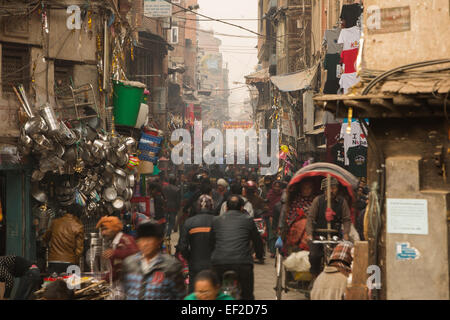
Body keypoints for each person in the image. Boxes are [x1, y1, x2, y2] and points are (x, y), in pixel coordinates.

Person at [210, 195, 264, 300]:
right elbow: (257, 241)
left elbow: (211, 242)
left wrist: (212, 255)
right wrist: (259, 255)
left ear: (226, 208)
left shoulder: (216, 220)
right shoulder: (248, 220)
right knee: (247, 295)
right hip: (242, 263)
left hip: (219, 263)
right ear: (241, 208)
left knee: (215, 294)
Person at [121, 221, 185, 300]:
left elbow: (180, 296)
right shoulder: (129, 264)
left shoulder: (171, 266)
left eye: (149, 240)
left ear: (158, 241)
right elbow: (125, 292)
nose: (145, 244)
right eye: (142, 240)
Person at [306, 177, 352, 280]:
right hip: (318, 236)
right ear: (324, 189)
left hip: (335, 235)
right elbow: (310, 218)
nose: (331, 190)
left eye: (334, 188)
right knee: (314, 256)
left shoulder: (342, 202)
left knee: (340, 257)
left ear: (337, 189)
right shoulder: (318, 200)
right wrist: (309, 234)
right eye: (328, 188)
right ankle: (315, 278)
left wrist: (346, 234)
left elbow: (346, 219)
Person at [177, 195, 216, 293]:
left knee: (194, 292)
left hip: (195, 264)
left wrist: (189, 257)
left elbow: (182, 246)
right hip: (214, 264)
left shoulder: (189, 222)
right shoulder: (218, 221)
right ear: (212, 206)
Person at [43, 204, 84, 275]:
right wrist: (75, 261)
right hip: (69, 261)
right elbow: (79, 250)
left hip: (54, 260)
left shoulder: (55, 222)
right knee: (71, 285)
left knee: (53, 284)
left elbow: (45, 238)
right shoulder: (78, 226)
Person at [96, 216, 139, 283]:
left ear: (115, 228)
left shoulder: (125, 239)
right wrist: (102, 281)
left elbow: (135, 252)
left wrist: (115, 253)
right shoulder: (114, 244)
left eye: (106, 229)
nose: (103, 233)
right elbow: (115, 271)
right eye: (102, 230)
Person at [280, 179, 316, 256]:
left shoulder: (316, 200)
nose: (306, 190)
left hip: (314, 225)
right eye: (304, 188)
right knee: (304, 224)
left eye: (309, 188)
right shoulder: (296, 201)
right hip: (298, 225)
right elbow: (291, 216)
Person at [266, 180, 283, 258]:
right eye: (275, 186)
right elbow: (268, 206)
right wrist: (270, 216)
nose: (277, 188)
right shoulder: (270, 194)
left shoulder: (282, 194)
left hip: (281, 215)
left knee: (280, 234)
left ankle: (280, 250)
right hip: (271, 216)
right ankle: (273, 251)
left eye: (278, 186)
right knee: (272, 234)